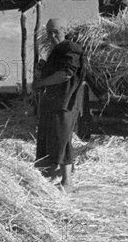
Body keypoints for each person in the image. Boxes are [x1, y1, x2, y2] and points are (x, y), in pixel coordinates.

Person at [33, 18, 84, 192]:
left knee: (62, 139)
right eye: (49, 32)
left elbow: (66, 74)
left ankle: (67, 182)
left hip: (66, 101)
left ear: (65, 30)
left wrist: (42, 82)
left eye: (56, 31)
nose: (52, 35)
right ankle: (59, 177)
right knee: (56, 138)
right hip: (56, 102)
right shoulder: (57, 51)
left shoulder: (71, 48)